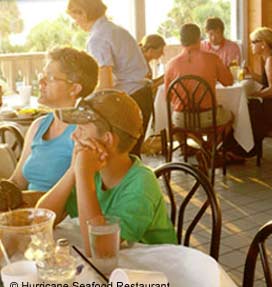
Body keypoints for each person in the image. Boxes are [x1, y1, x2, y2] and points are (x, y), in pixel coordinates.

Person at [37, 90, 177, 256]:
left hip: (154, 270)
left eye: (81, 129)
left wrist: (83, 173)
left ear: (107, 140)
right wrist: (72, 172)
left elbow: (100, 251)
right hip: (119, 267)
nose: (74, 136)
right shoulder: (94, 172)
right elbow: (40, 222)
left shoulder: (141, 184)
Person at [8, 47, 98, 198]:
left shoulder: (84, 131)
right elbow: (17, 181)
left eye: (49, 78)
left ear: (74, 88)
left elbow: (81, 195)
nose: (40, 82)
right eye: (41, 75)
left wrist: (26, 201)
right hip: (28, 214)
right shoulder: (38, 125)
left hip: (61, 218)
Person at [66, 0, 151, 156]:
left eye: (75, 18)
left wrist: (83, 103)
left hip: (129, 99)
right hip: (142, 94)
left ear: (83, 13)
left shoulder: (97, 38)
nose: (76, 23)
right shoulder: (115, 30)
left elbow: (105, 85)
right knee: (132, 157)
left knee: (121, 159)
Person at [227, 27, 272, 158]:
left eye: (254, 42)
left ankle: (240, 149)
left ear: (263, 44)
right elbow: (269, 81)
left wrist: (253, 95)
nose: (251, 45)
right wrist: (252, 75)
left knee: (247, 109)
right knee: (248, 107)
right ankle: (238, 148)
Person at [165, 23, 234, 129]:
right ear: (199, 39)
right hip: (207, 116)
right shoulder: (212, 59)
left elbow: (167, 97)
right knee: (231, 116)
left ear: (181, 41)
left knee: (178, 126)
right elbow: (228, 82)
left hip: (181, 118)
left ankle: (192, 144)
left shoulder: (170, 64)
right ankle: (211, 144)